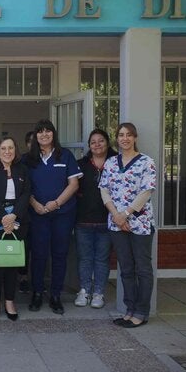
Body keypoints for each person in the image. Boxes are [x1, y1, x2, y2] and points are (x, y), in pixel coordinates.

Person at [99, 122, 157, 328]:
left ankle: (141, 312)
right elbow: (104, 190)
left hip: (140, 223)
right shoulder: (111, 163)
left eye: (129, 135)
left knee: (143, 268)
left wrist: (125, 214)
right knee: (126, 268)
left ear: (135, 138)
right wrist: (116, 215)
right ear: (117, 138)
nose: (125, 138)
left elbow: (146, 191)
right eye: (121, 135)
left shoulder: (146, 162)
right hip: (116, 223)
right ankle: (129, 309)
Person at [25, 119, 82, 315]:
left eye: (47, 131)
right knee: (38, 255)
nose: (44, 134)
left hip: (62, 214)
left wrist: (56, 203)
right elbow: (23, 187)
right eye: (40, 131)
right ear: (35, 136)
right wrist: (35, 204)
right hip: (37, 214)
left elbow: (74, 185)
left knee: (59, 254)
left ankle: (55, 295)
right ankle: (37, 293)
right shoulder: (28, 159)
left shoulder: (65, 155)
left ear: (53, 134)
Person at [0, 136, 31, 321]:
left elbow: (26, 194)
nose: (7, 151)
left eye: (10, 148)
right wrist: (3, 218)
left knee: (12, 262)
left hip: (18, 221)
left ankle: (10, 301)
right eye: (3, 148)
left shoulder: (23, 169)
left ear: (15, 150)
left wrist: (14, 216)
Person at [74, 129, 117, 309]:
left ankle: (99, 293)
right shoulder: (81, 165)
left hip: (107, 221)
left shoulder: (116, 163)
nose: (97, 144)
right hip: (83, 220)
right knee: (85, 258)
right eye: (93, 142)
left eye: (101, 141)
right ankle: (84, 291)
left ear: (107, 142)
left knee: (102, 259)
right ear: (89, 146)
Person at [18, 130, 35, 294]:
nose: (32, 144)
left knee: (38, 248)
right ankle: (22, 277)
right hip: (23, 210)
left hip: (44, 210)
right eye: (29, 141)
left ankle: (37, 280)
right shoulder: (21, 160)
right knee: (23, 245)